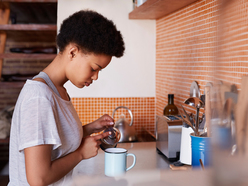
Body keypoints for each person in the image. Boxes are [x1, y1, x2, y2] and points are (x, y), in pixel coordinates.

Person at [8, 9, 125, 186]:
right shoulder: (39, 97)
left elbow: (55, 142)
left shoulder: (57, 90)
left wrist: (91, 128)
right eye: (94, 68)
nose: (95, 77)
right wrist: (80, 154)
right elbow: (38, 179)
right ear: (72, 52)